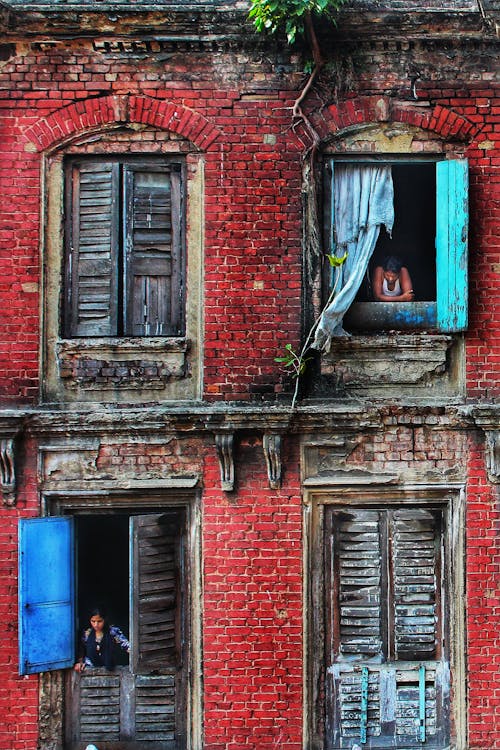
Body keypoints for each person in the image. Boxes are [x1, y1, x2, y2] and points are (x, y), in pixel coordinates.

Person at [74, 608, 130, 672]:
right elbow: (81, 650)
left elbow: (127, 646)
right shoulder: (87, 634)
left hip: (109, 669)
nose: (96, 625)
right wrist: (80, 662)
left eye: (99, 621)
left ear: (105, 620)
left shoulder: (113, 632)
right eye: (93, 621)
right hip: (89, 669)